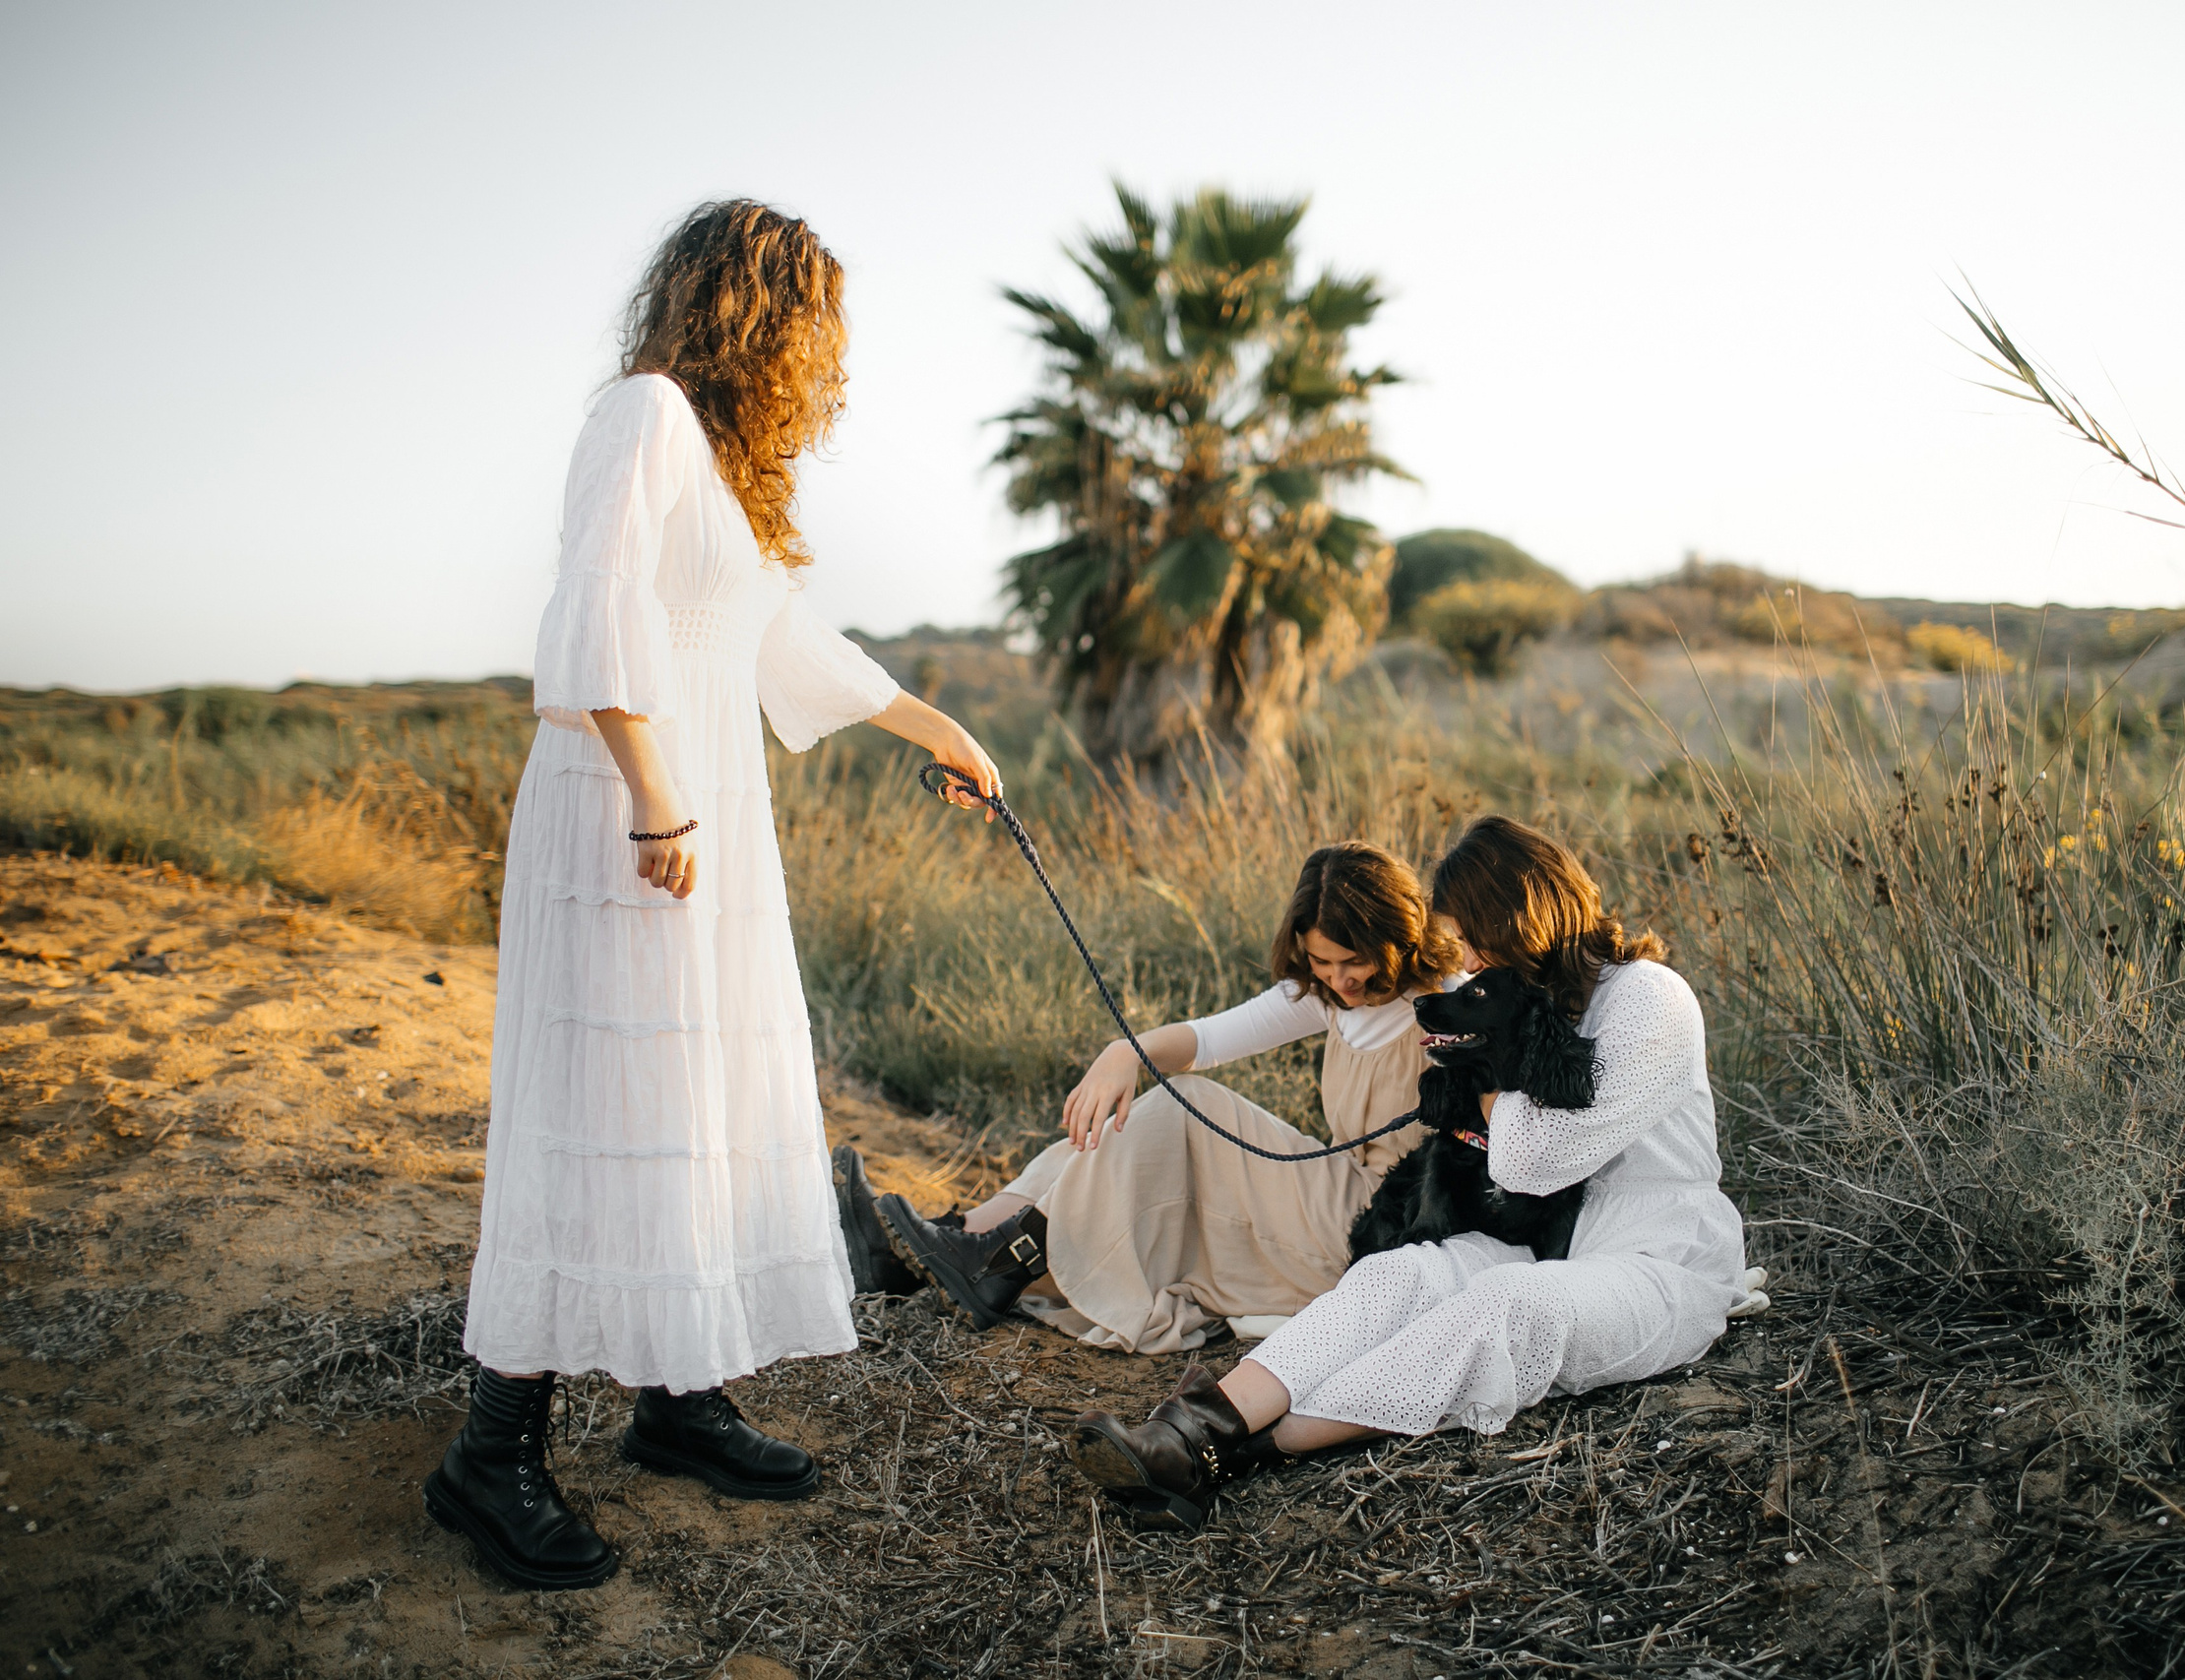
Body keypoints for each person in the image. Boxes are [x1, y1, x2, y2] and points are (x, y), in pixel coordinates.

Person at [426, 201, 1003, 1591]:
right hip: (629, 820)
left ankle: (674, 1396)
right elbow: (597, 607)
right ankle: (490, 1455)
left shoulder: (723, 472)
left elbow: (782, 642)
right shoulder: (642, 416)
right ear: (762, 311)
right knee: (590, 1115)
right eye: (817, 319)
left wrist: (941, 731)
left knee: (693, 1110)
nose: (830, 353)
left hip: (692, 826)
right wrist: (653, 795)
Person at [1066, 815, 1766, 1531]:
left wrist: (1488, 1064)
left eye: (1469, 936)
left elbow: (1531, 1158)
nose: (1460, 956)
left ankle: (1237, 1454)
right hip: (1542, 1238)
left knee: (1508, 1304)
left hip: (1659, 1262)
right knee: (1396, 1273)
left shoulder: (1651, 999)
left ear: (1516, 918)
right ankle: (1188, 1425)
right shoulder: (1546, 1004)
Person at [859, 842, 1460, 1353]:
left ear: (1395, 937)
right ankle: (958, 1240)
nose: (1340, 978)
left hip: (1381, 1229)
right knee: (1136, 1127)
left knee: (1185, 1106)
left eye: (1354, 961)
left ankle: (991, 1258)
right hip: (1335, 1189)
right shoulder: (1327, 995)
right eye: (1321, 961)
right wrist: (1119, 1055)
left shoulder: (1448, 1006)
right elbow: (1213, 1035)